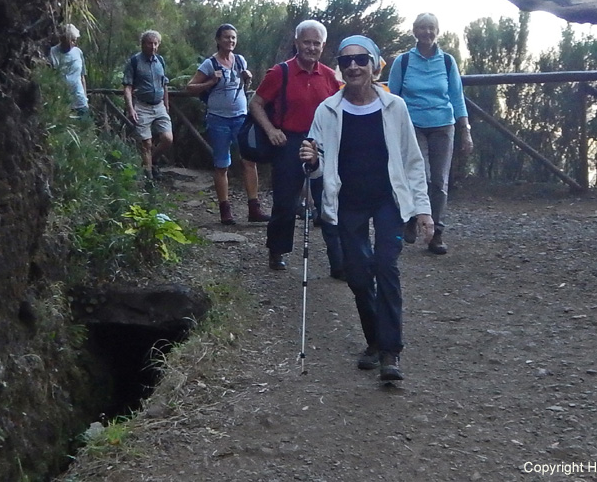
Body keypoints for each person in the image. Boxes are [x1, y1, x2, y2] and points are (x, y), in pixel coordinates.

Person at [299, 35, 434, 382]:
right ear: (340, 68)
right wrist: (311, 160)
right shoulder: (328, 110)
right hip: (348, 202)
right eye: (346, 61)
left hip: (389, 199)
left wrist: (423, 209)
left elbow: (412, 161)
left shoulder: (395, 107)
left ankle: (391, 352)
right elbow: (315, 164)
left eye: (361, 59)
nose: (354, 66)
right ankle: (374, 341)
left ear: (375, 64)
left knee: (386, 266)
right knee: (358, 274)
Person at [249, 20, 343, 273]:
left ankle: (339, 261)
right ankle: (277, 251)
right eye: (306, 42)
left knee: (329, 198)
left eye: (316, 43)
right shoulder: (280, 72)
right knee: (285, 201)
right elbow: (256, 103)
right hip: (289, 141)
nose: (311, 47)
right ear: (296, 43)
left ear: (323, 46)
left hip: (322, 142)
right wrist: (271, 130)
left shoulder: (330, 76)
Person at [388, 12, 473, 255]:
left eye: (431, 28)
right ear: (414, 31)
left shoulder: (447, 62)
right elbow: (393, 98)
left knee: (439, 181)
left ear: (438, 31)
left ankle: (437, 233)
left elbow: (457, 97)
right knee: (419, 176)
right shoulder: (403, 62)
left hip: (443, 124)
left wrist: (465, 130)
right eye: (422, 28)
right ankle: (414, 219)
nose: (427, 32)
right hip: (412, 124)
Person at [186, 24, 270, 225]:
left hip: (241, 118)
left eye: (233, 38)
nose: (230, 41)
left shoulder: (240, 60)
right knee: (222, 164)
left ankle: (254, 208)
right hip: (218, 119)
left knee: (249, 161)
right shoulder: (209, 64)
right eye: (226, 37)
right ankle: (225, 210)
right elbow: (189, 88)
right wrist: (209, 83)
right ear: (218, 40)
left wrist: (247, 80)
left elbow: (242, 88)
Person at [122, 30, 174, 184]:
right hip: (142, 106)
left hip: (159, 106)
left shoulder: (160, 61)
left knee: (167, 139)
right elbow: (127, 87)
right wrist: (130, 108)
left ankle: (152, 161)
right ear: (143, 44)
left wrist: (166, 104)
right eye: (149, 43)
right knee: (146, 143)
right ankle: (149, 179)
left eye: (155, 43)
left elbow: (164, 84)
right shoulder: (134, 62)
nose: (153, 46)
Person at [49, 23, 89, 116]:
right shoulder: (53, 52)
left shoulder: (78, 52)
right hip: (62, 102)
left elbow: (82, 76)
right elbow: (51, 76)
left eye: (75, 40)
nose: (74, 43)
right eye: (72, 40)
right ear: (64, 39)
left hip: (80, 101)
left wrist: (85, 98)